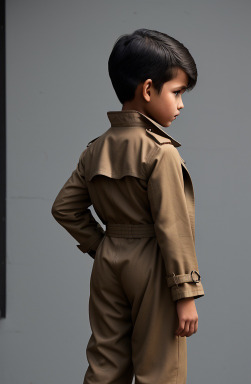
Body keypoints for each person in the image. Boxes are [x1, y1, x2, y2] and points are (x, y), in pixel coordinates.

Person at [51, 28, 205, 384]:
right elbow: (173, 227)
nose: (181, 104)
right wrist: (185, 294)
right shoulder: (161, 152)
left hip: (108, 263)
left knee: (105, 365)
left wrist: (100, 244)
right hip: (153, 263)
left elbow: (64, 208)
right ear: (148, 89)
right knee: (160, 370)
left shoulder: (96, 148)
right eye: (177, 92)